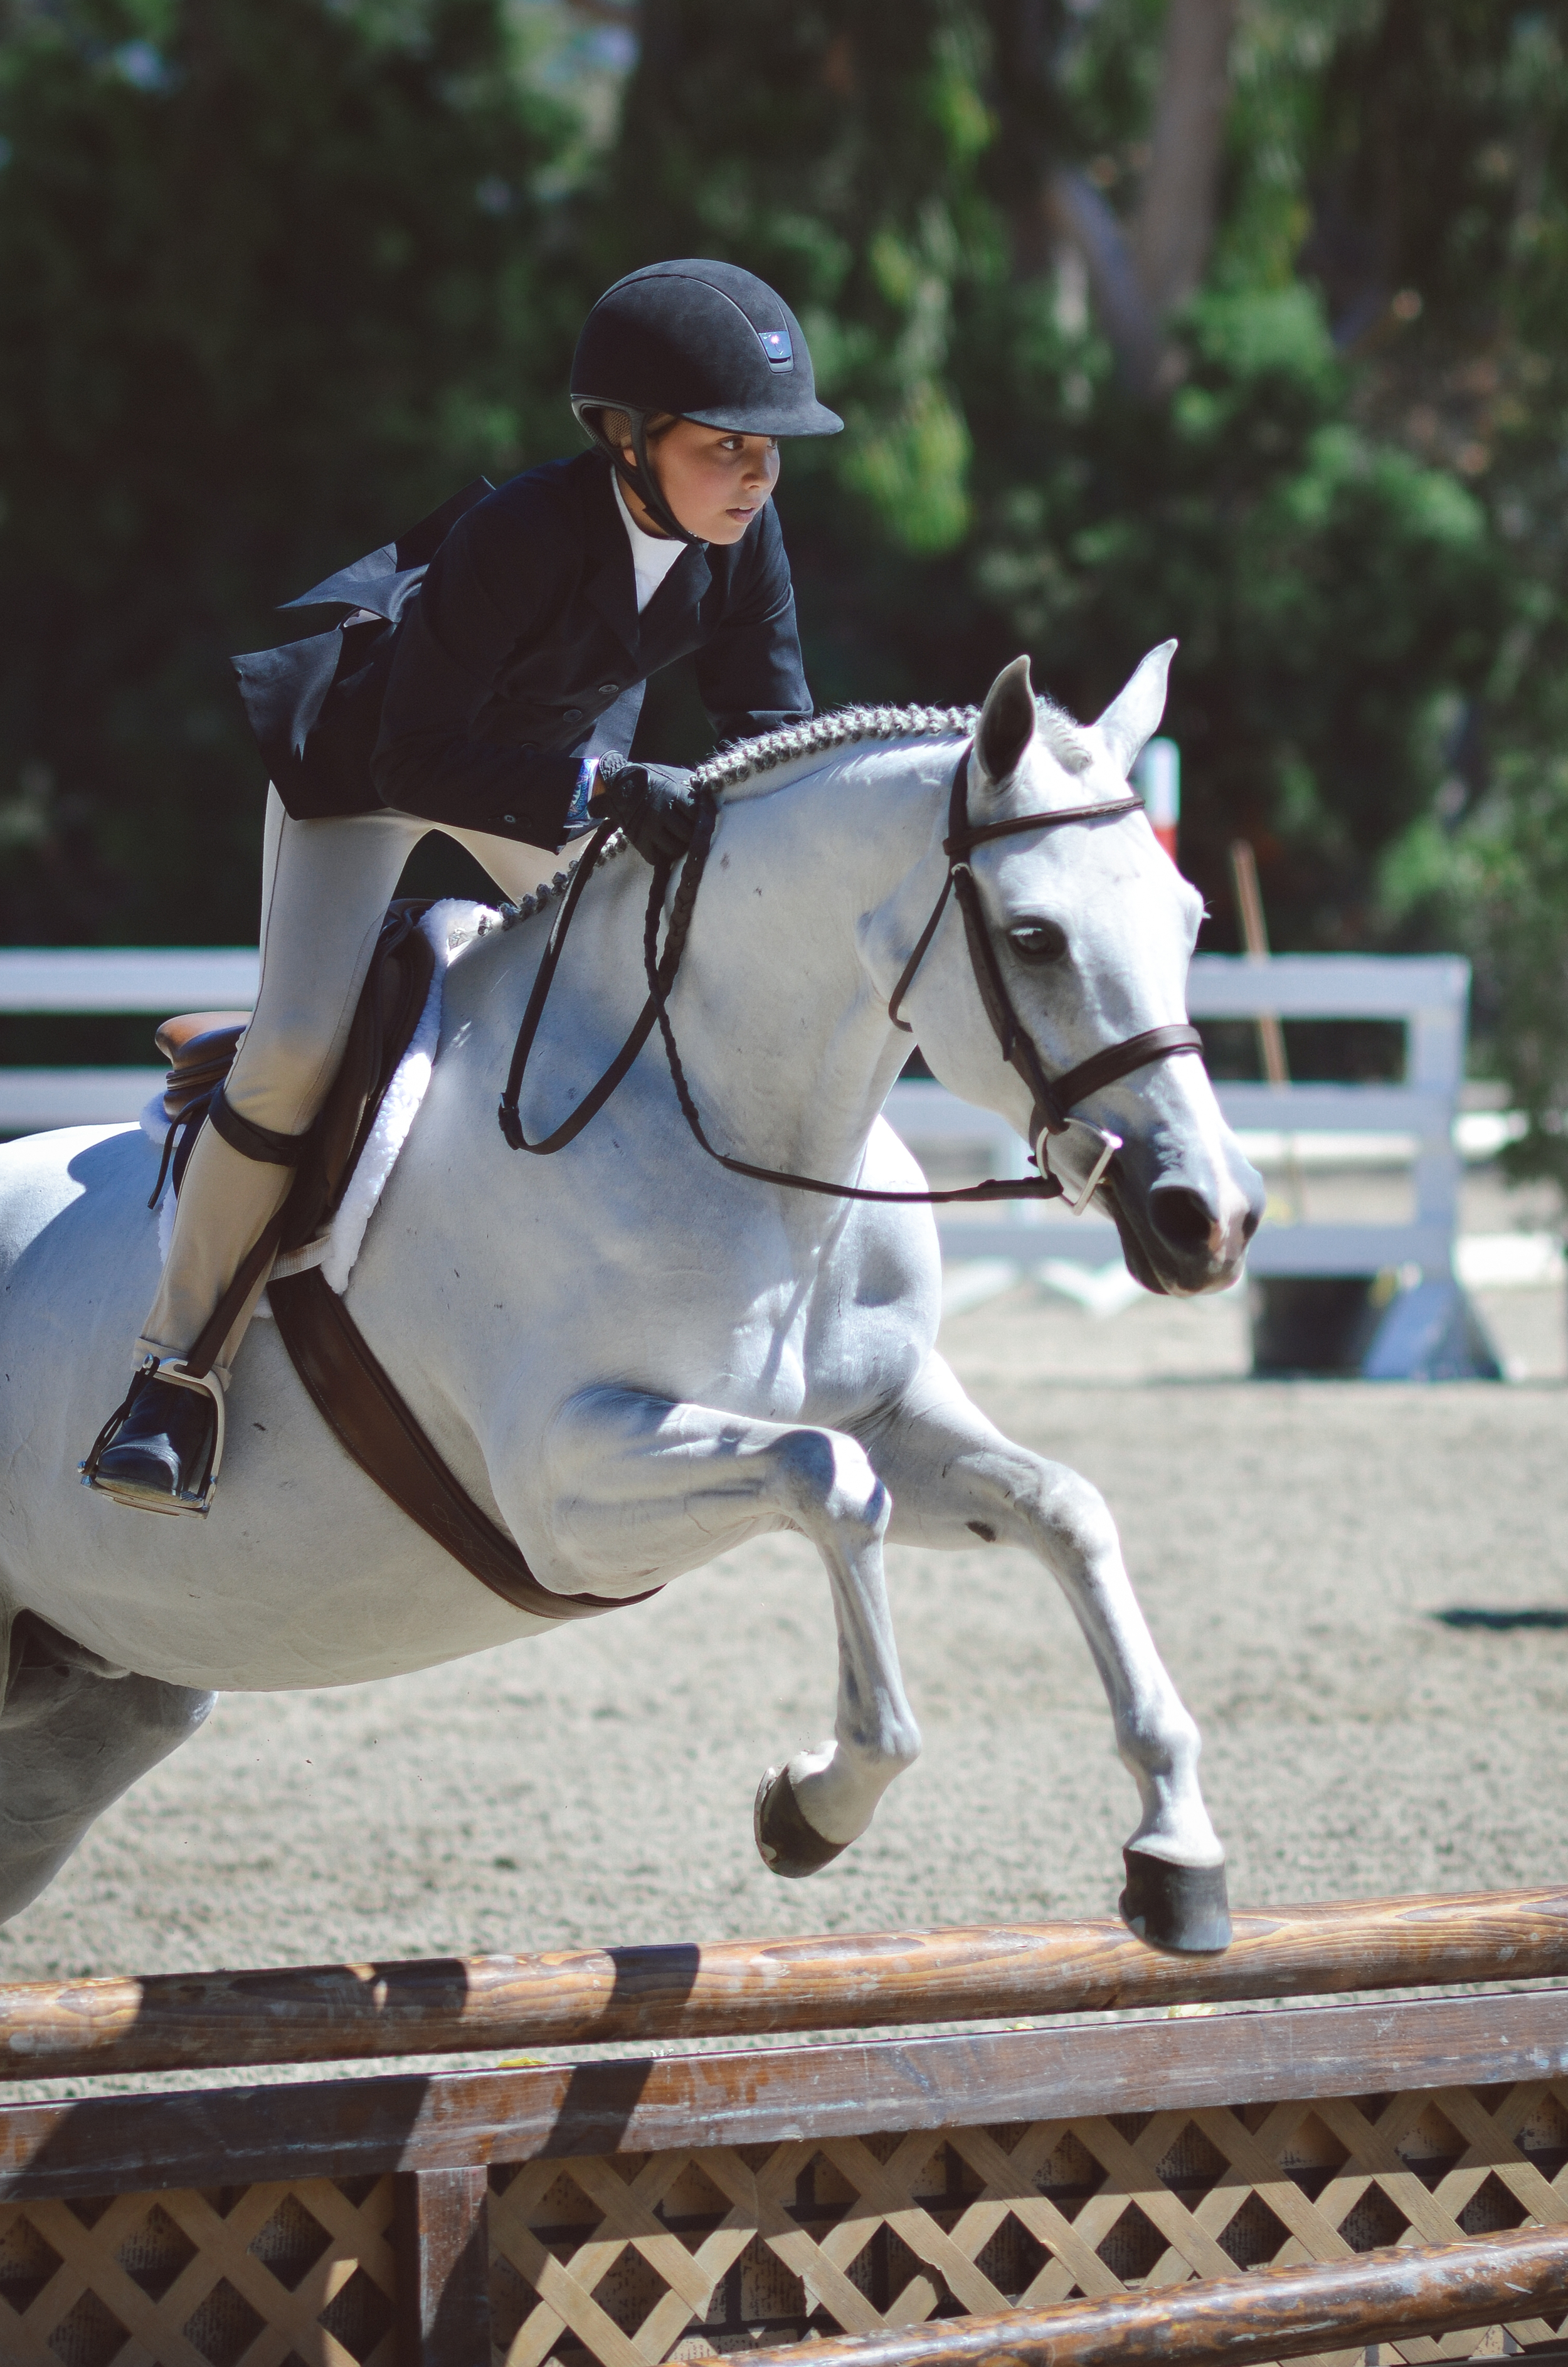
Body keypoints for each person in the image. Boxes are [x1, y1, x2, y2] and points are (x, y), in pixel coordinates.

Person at [84, 258, 843, 1515]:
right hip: (375, 763)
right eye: (727, 447)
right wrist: (608, 793)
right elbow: (415, 755)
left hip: (552, 767)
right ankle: (172, 1377)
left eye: (771, 448)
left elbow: (772, 723)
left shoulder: (744, 537)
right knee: (298, 1051)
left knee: (658, 998)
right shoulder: (522, 534)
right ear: (629, 439)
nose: (760, 475)